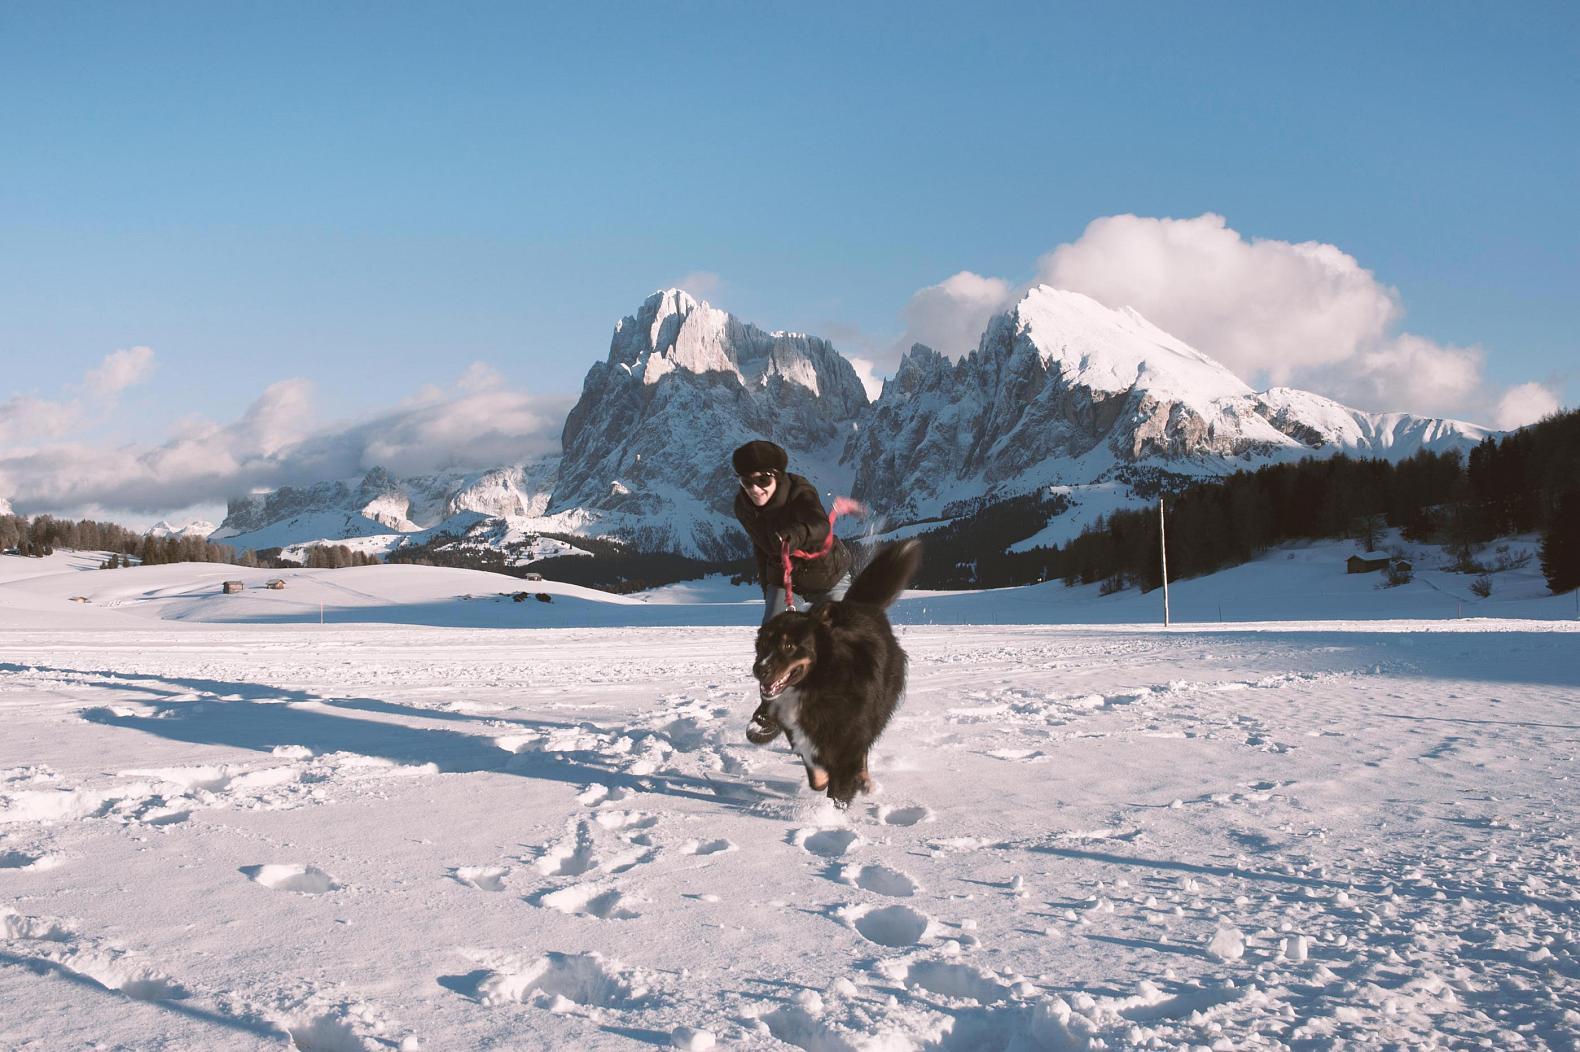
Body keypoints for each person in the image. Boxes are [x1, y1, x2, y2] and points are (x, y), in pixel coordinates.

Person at [731, 439, 852, 743]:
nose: (755, 488)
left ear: (777, 476)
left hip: (828, 578)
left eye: (763, 480)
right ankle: (771, 709)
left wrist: (796, 534)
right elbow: (761, 549)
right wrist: (768, 589)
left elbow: (820, 525)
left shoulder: (800, 491)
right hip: (785, 581)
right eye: (747, 481)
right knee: (770, 641)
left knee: (837, 647)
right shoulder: (743, 506)